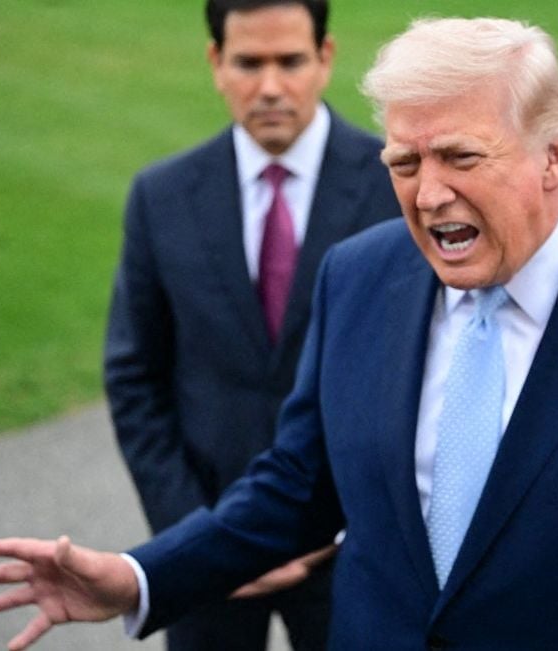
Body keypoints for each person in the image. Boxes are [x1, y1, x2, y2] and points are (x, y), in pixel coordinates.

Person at [0, 16, 558, 650]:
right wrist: (140, 575)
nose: (428, 194)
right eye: (405, 163)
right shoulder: (359, 277)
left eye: (460, 158)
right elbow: (297, 484)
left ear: (555, 154)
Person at [102, 0, 398, 649]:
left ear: (325, 58)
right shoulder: (160, 196)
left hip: (354, 553)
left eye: (289, 61)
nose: (269, 86)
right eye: (248, 63)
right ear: (216, 62)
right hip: (206, 555)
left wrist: (338, 525)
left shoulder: (397, 185)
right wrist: (203, 538)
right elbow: (134, 378)